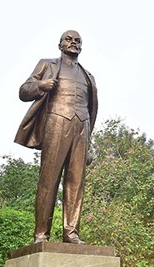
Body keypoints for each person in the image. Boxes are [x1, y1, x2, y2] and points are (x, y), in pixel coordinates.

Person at [16, 30, 98, 244]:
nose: (73, 43)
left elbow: (91, 108)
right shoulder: (47, 65)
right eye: (69, 40)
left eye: (78, 41)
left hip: (82, 126)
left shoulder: (88, 75)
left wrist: (88, 143)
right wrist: (40, 86)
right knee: (48, 179)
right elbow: (24, 91)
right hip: (56, 122)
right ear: (60, 44)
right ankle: (41, 234)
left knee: (76, 182)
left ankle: (71, 232)